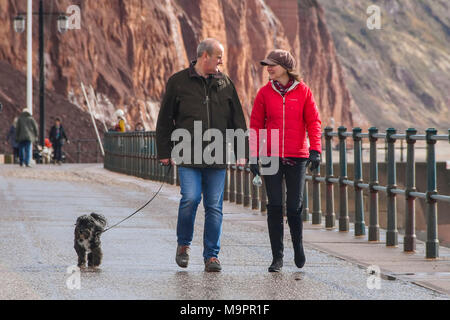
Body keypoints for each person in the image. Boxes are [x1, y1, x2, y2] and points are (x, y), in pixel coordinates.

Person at [156, 38, 247, 272]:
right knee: (191, 198)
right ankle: (184, 245)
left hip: (217, 155)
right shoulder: (178, 82)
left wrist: (241, 150)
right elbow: (165, 119)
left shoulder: (225, 83)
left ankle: (211, 256)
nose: (221, 62)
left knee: (215, 206)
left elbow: (236, 119)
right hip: (188, 154)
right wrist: (164, 151)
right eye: (218, 57)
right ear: (204, 56)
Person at [250, 49, 322, 272]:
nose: (269, 68)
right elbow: (255, 126)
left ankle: (298, 247)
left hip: (297, 156)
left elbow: (314, 122)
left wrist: (316, 150)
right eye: (267, 64)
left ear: (286, 67)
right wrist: (254, 155)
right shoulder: (264, 93)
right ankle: (277, 258)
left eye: (273, 64)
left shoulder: (304, 92)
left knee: (293, 207)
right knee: (274, 206)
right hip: (271, 155)